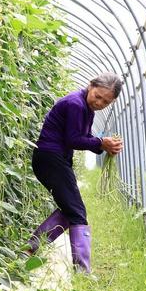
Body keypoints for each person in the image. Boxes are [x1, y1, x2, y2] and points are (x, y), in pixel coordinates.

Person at [25, 73, 124, 273]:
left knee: (72, 210)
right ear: (90, 85)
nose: (99, 103)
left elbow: (82, 136)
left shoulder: (86, 108)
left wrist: (103, 145)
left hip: (54, 160)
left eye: (106, 102)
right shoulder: (76, 104)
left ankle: (28, 250)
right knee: (77, 214)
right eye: (98, 96)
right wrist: (101, 143)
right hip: (50, 159)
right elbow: (73, 139)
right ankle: (82, 272)